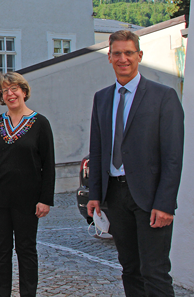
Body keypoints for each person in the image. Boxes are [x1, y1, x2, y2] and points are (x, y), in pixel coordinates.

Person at [87, 30, 184, 297]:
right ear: (109, 57)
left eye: (128, 53)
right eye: (116, 53)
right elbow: (97, 150)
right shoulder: (102, 98)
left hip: (151, 198)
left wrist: (164, 203)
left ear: (139, 56)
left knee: (154, 271)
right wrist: (95, 194)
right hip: (115, 196)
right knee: (130, 268)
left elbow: (173, 156)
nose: (123, 58)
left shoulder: (163, 97)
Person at [0, 72, 55, 297]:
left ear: (24, 91)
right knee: (1, 250)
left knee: (26, 249)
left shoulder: (40, 123)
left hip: (28, 199)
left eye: (14, 89)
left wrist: (45, 199)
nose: (10, 94)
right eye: (4, 91)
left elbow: (48, 164)